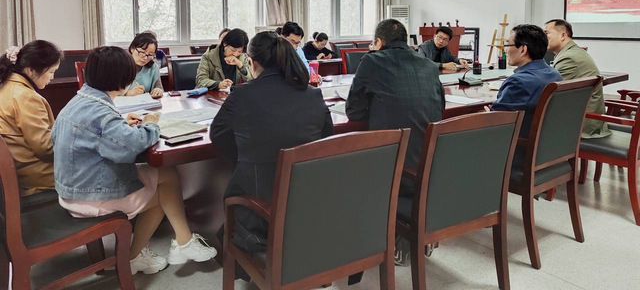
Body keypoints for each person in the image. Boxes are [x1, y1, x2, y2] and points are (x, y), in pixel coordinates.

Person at [52, 46, 216, 275]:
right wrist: (150, 125)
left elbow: (95, 134)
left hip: (72, 188)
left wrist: (120, 123)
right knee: (163, 194)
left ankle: (181, 241)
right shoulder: (101, 114)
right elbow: (131, 146)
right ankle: (142, 254)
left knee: (166, 174)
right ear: (121, 78)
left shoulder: (81, 100)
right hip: (90, 196)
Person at [210, 31, 332, 276]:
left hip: (260, 205)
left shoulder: (242, 95)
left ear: (253, 62)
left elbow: (218, 136)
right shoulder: (312, 94)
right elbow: (325, 138)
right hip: (307, 200)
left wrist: (247, 152)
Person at [346, 19, 444, 181]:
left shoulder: (371, 61)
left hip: (390, 168)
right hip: (428, 167)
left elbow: (354, 112)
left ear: (379, 42)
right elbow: (440, 107)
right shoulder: (430, 65)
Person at [0, 41, 63, 196]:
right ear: (30, 70)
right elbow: (46, 148)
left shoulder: (6, 86)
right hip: (37, 176)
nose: (52, 77)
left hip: (19, 171)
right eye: (51, 72)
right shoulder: (26, 96)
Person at [491, 24, 563, 138]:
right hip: (548, 142)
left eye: (508, 45)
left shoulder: (517, 82)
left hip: (515, 144)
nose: (506, 50)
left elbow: (496, 122)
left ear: (523, 49)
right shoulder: (556, 75)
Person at [544, 19, 611, 139]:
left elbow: (552, 95)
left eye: (546, 33)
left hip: (582, 124)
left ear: (563, 35)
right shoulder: (572, 52)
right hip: (587, 118)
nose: (543, 38)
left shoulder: (568, 58)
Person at [127, 33, 163, 98]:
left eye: (150, 55)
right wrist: (127, 94)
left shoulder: (153, 68)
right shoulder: (119, 66)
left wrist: (158, 90)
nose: (145, 58)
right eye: (142, 52)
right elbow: (108, 96)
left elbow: (159, 87)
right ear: (132, 48)